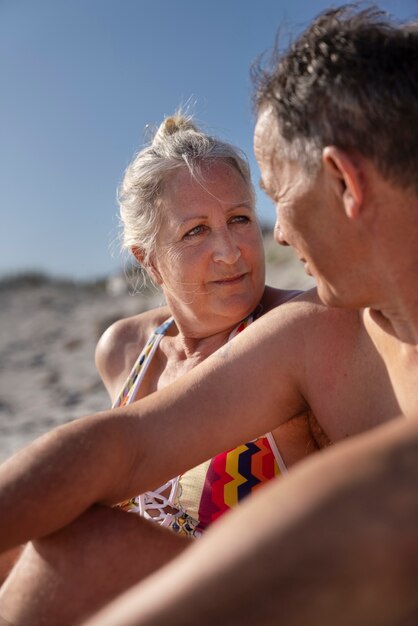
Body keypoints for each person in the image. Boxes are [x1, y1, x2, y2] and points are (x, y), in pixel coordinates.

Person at [0, 5, 413, 624]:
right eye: (196, 230)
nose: (267, 243)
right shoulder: (136, 347)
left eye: (254, 211)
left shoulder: (316, 330)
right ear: (149, 260)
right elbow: (125, 445)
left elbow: (374, 504)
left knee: (77, 557)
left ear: (344, 182)